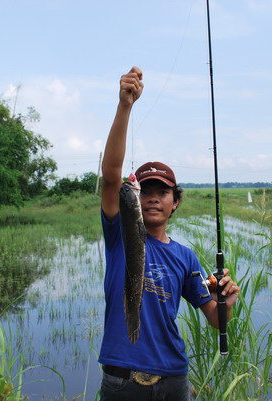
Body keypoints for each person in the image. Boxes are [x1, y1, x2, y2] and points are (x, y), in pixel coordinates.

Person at [99, 66, 240, 401]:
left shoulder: (185, 257)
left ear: (175, 202)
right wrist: (125, 106)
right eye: (143, 190)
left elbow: (216, 320)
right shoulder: (120, 234)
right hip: (122, 381)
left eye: (161, 192)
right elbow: (110, 175)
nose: (150, 197)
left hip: (174, 379)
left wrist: (226, 302)